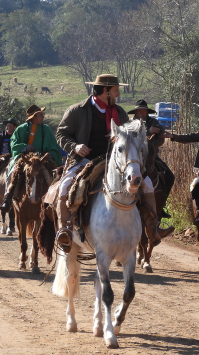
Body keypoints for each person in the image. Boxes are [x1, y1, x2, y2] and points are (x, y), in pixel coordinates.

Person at [55, 74, 171, 250]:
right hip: (84, 160)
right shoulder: (77, 110)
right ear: (105, 91)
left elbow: (131, 135)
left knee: (147, 183)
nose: (118, 94)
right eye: (116, 91)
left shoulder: (121, 113)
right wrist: (75, 146)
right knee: (64, 187)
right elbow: (61, 134)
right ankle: (65, 230)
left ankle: (152, 227)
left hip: (115, 163)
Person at [0, 105, 63, 212]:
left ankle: (55, 200)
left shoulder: (46, 129)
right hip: (25, 159)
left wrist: (51, 154)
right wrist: (25, 147)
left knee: (54, 176)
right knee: (13, 173)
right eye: (40, 115)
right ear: (34, 117)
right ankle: (8, 197)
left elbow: (54, 146)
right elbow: (14, 143)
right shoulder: (21, 129)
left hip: (42, 160)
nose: (43, 116)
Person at [128, 99, 175, 218]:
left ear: (147, 111)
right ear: (136, 112)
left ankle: (161, 204)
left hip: (151, 155)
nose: (141, 113)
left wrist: (152, 143)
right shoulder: (130, 124)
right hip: (134, 157)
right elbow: (131, 137)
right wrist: (149, 132)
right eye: (139, 111)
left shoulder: (154, 122)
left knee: (170, 176)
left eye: (143, 111)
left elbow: (160, 138)